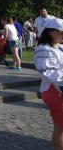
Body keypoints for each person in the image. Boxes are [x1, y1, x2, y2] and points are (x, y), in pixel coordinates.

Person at [34, 18, 63, 150]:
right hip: (54, 91)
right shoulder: (43, 49)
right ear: (53, 32)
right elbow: (48, 72)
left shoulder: (60, 46)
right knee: (60, 127)